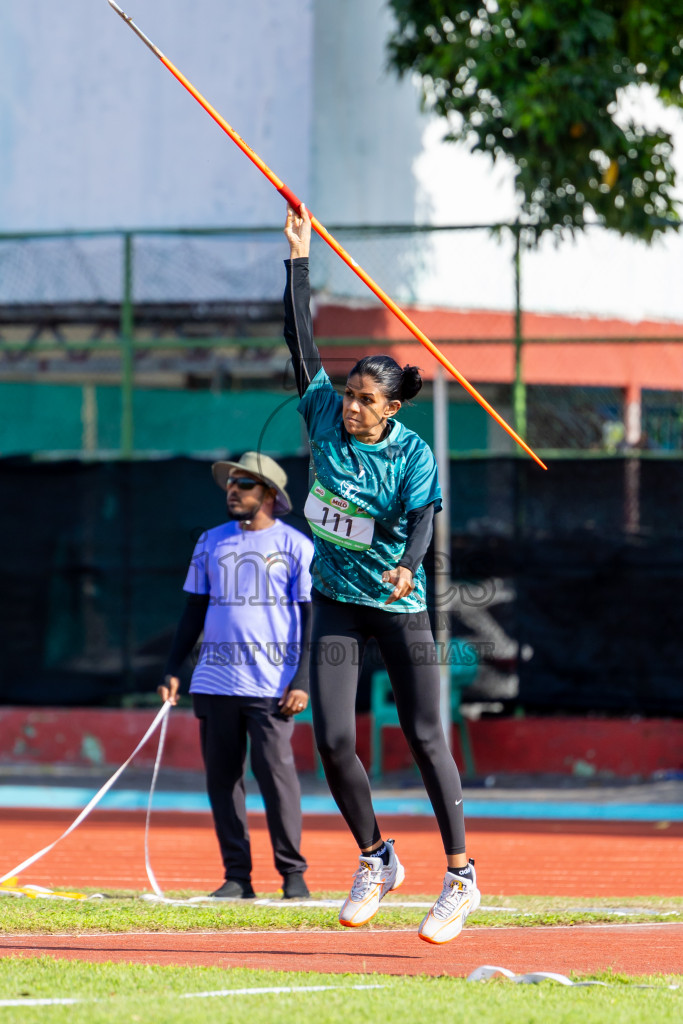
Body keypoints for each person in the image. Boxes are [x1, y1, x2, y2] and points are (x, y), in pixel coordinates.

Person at [281, 204, 480, 944]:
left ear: (391, 406)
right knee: (333, 739)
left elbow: (425, 522)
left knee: (427, 736)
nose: (352, 406)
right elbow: (300, 342)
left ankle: (459, 875)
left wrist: (403, 566)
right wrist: (297, 260)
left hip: (398, 608)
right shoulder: (323, 416)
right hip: (335, 601)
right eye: (349, 394)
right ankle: (376, 857)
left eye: (367, 400)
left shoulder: (409, 453)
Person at [159, 451, 314, 900]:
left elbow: (310, 620)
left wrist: (301, 680)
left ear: (269, 495)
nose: (232, 490)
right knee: (223, 781)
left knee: (276, 779)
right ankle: (237, 876)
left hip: (272, 687)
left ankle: (292, 875)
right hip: (213, 682)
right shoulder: (209, 541)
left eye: (244, 484)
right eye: (230, 483)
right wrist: (173, 669)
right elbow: (192, 612)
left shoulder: (296, 546)